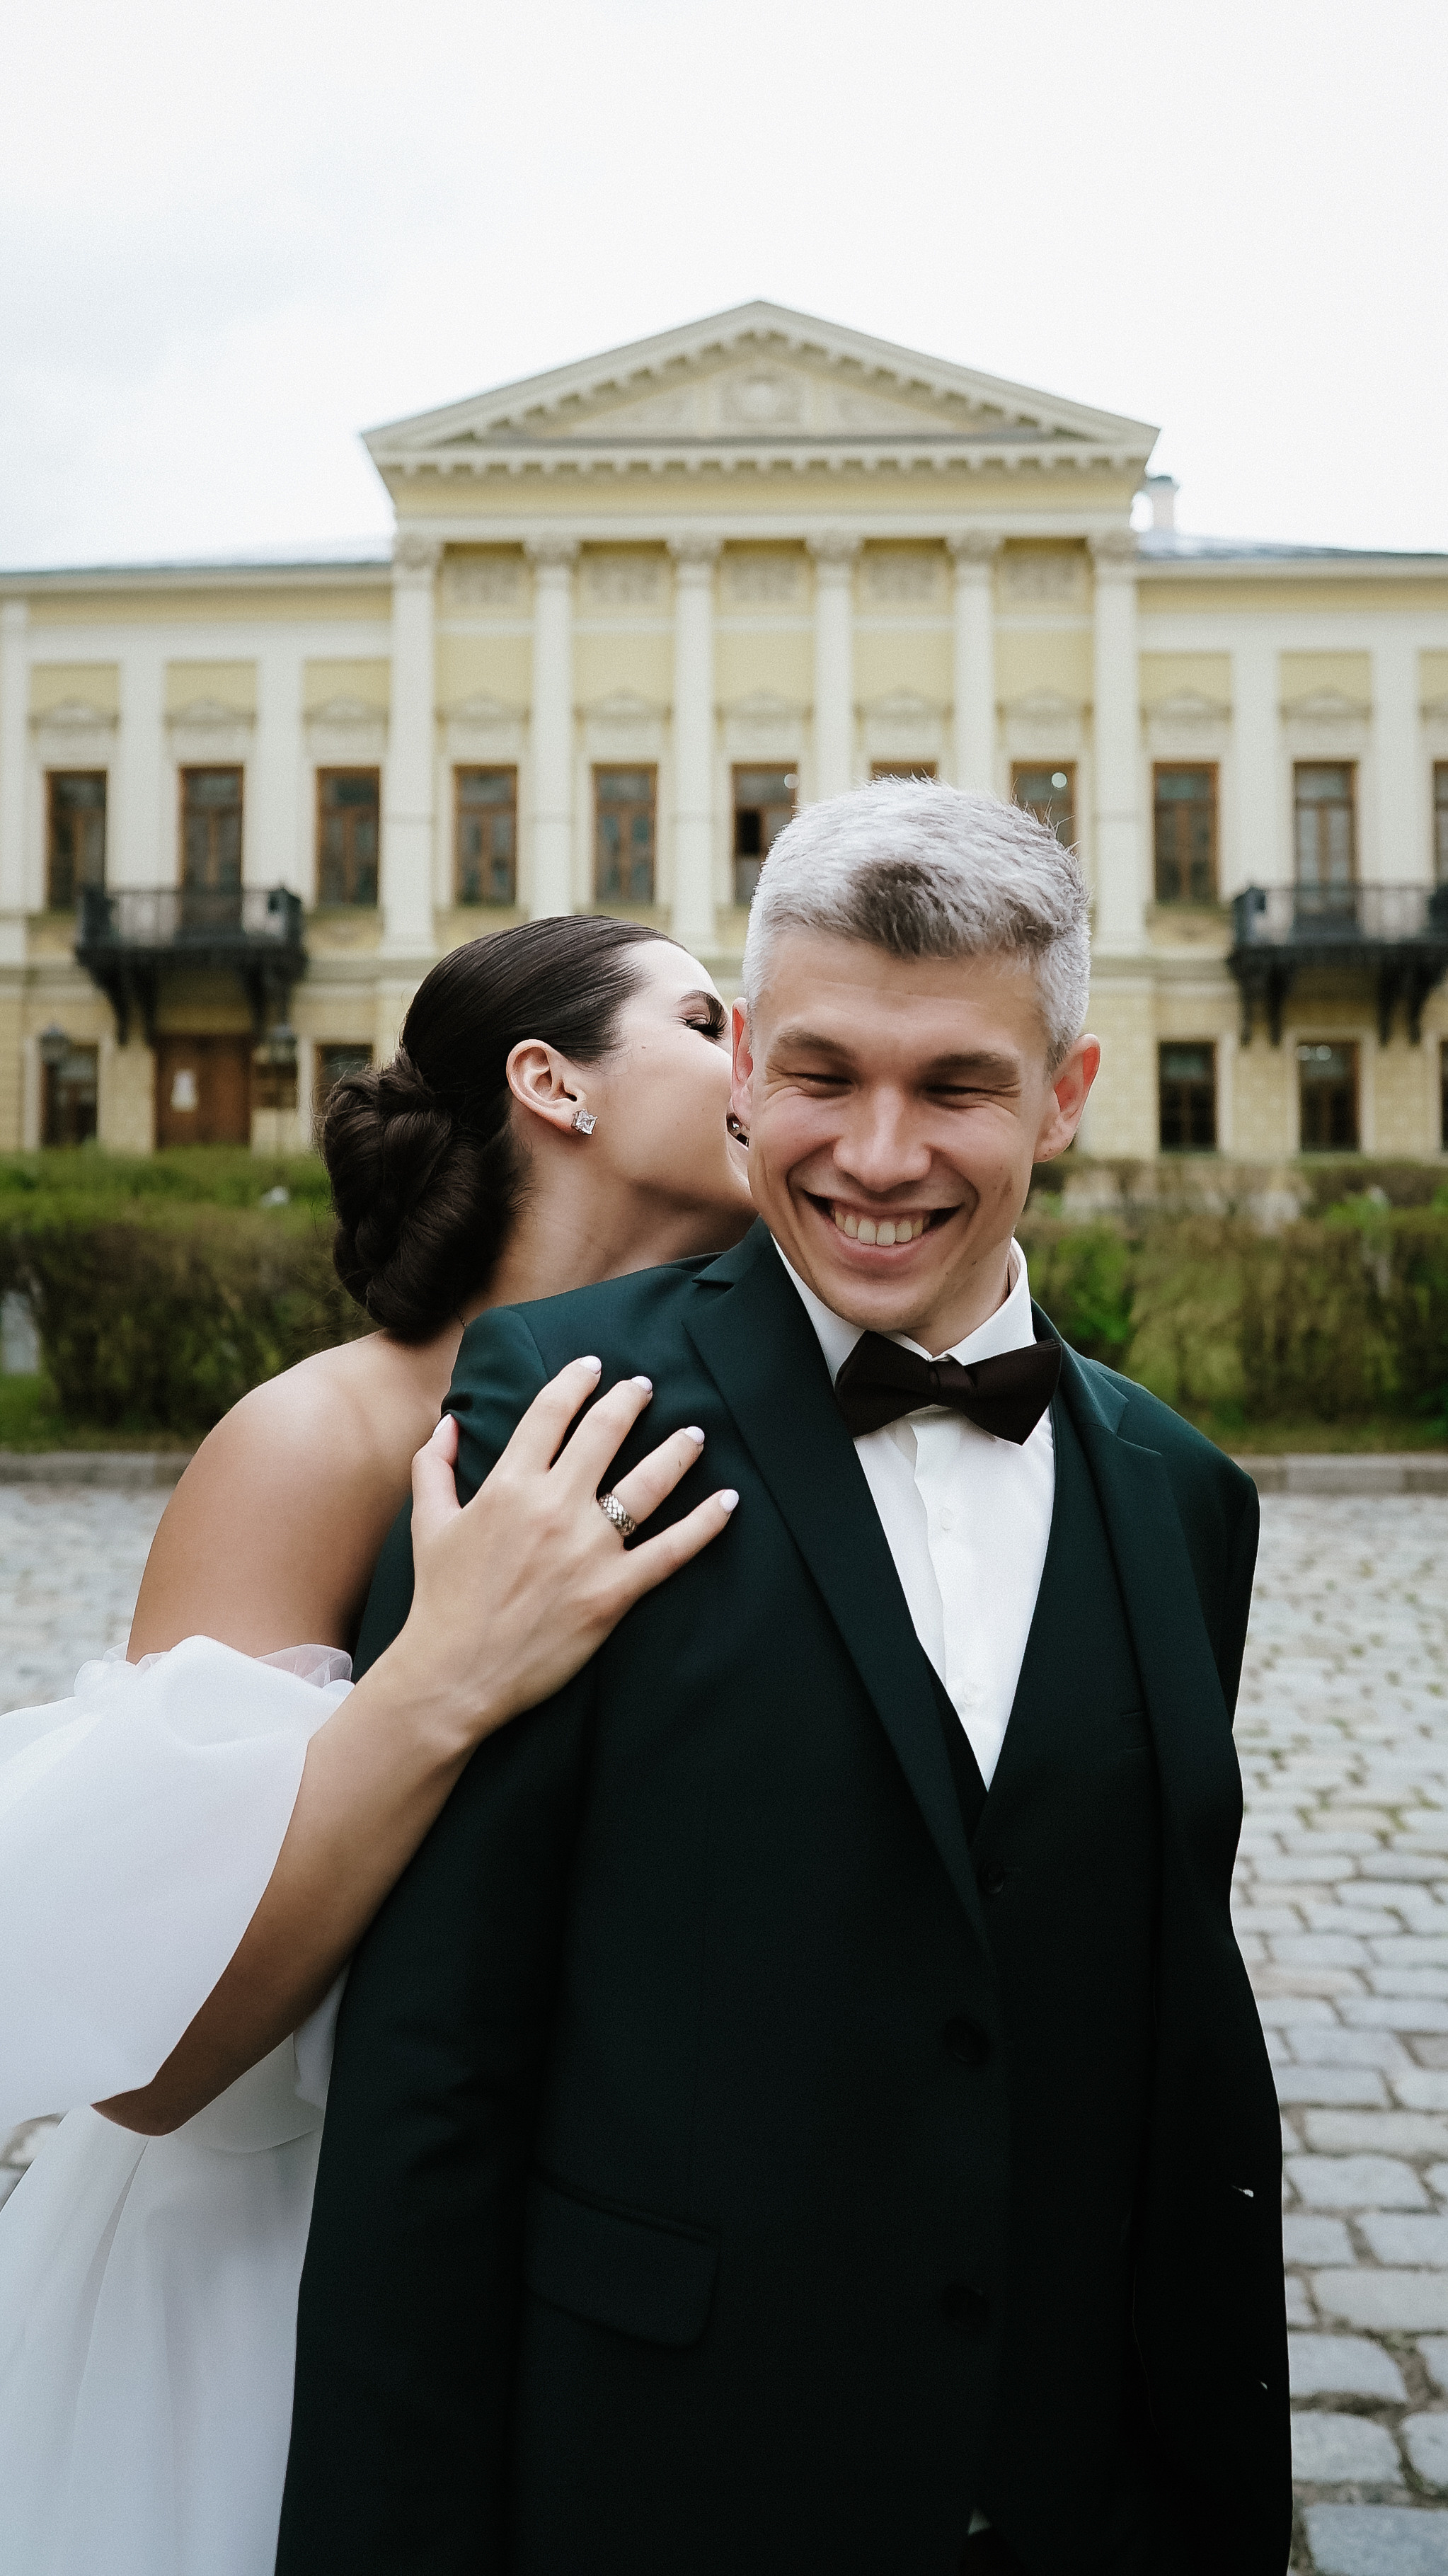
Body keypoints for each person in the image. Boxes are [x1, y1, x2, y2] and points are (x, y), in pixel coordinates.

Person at [280, 780, 1289, 2576]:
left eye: (958, 1085)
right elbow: (434, 2070)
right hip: (660, 2488)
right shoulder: (564, 1409)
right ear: (745, 1060)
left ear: (1066, 1090)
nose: (880, 1155)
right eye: (823, 1073)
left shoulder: (1182, 1494)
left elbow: (1172, 2055)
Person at [0, 915, 753, 2576]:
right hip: (263, 2295)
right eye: (710, 1019)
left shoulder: (729, 1430)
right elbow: (157, 2061)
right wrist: (446, 1671)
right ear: (552, 1081)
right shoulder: (319, 1437)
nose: (763, 1061)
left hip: (591, 2293)